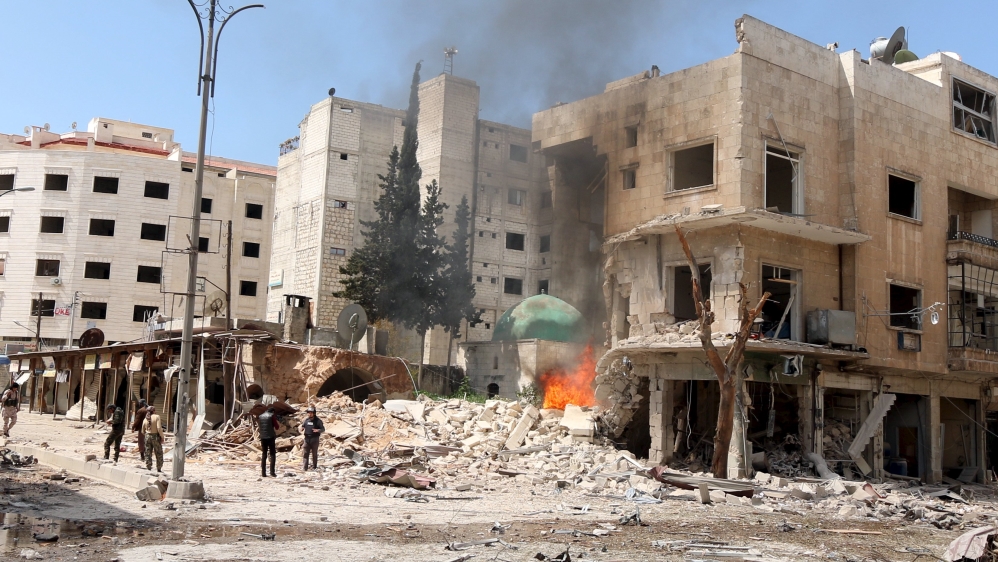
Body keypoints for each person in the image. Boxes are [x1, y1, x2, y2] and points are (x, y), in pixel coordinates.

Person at [300, 405, 325, 471]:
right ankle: (305, 468)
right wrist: (302, 428)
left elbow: (323, 429)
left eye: (311, 412)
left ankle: (314, 467)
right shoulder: (306, 420)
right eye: (308, 412)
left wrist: (318, 430)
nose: (309, 414)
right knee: (305, 454)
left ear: (314, 413)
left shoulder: (318, 421)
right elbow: (303, 426)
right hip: (307, 439)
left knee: (314, 454)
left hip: (315, 439)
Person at [258, 406, 280, 477]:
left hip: (263, 437)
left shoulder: (260, 416)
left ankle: (263, 473)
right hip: (270, 437)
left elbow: (260, 426)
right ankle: (272, 472)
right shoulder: (271, 416)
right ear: (273, 412)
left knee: (264, 454)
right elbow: (277, 427)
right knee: (272, 454)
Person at [142, 405, 164, 472]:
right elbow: (159, 428)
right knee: (158, 452)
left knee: (148, 452)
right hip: (155, 436)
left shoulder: (145, 418)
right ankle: (159, 468)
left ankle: (148, 466)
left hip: (147, 436)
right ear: (154, 411)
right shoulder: (157, 416)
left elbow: (142, 430)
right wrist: (162, 437)